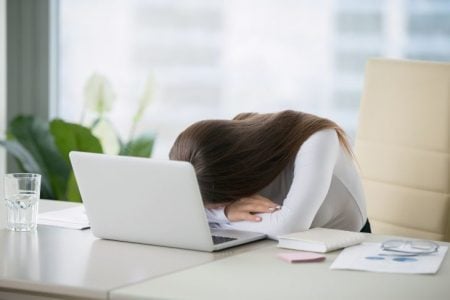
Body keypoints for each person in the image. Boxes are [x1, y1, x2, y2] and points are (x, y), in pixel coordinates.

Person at [169, 110, 369, 239]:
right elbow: (176, 213)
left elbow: (289, 228)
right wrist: (224, 212)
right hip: (275, 248)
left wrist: (222, 216)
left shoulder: (318, 139)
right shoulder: (225, 154)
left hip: (344, 247)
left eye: (221, 202)